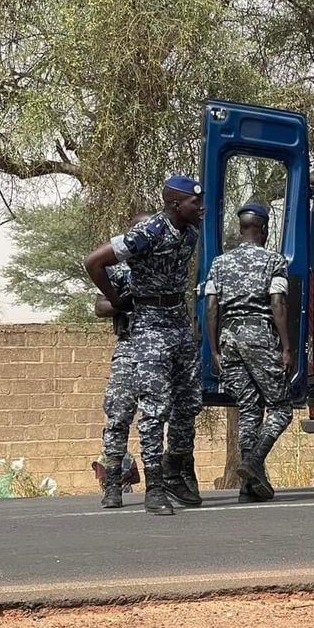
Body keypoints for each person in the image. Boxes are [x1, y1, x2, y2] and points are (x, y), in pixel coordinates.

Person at [83, 175, 204, 516]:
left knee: (189, 402)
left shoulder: (191, 233)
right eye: (196, 202)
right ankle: (154, 488)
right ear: (176, 204)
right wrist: (117, 300)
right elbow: (94, 261)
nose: (202, 207)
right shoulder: (148, 232)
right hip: (148, 326)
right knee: (153, 408)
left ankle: (176, 468)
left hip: (178, 322)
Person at [204, 203, 295, 502]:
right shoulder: (274, 260)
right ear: (264, 230)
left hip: (229, 340)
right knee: (281, 408)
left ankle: (249, 486)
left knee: (249, 408)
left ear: (241, 230)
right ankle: (254, 460)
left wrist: (214, 349)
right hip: (259, 336)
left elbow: (211, 308)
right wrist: (286, 346)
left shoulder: (219, 263)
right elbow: (278, 303)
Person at [94, 209, 150, 508]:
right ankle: (113, 484)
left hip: (160, 348)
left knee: (157, 418)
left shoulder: (163, 264)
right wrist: (120, 303)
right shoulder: (118, 270)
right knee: (118, 417)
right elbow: (99, 307)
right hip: (128, 348)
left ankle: (160, 482)